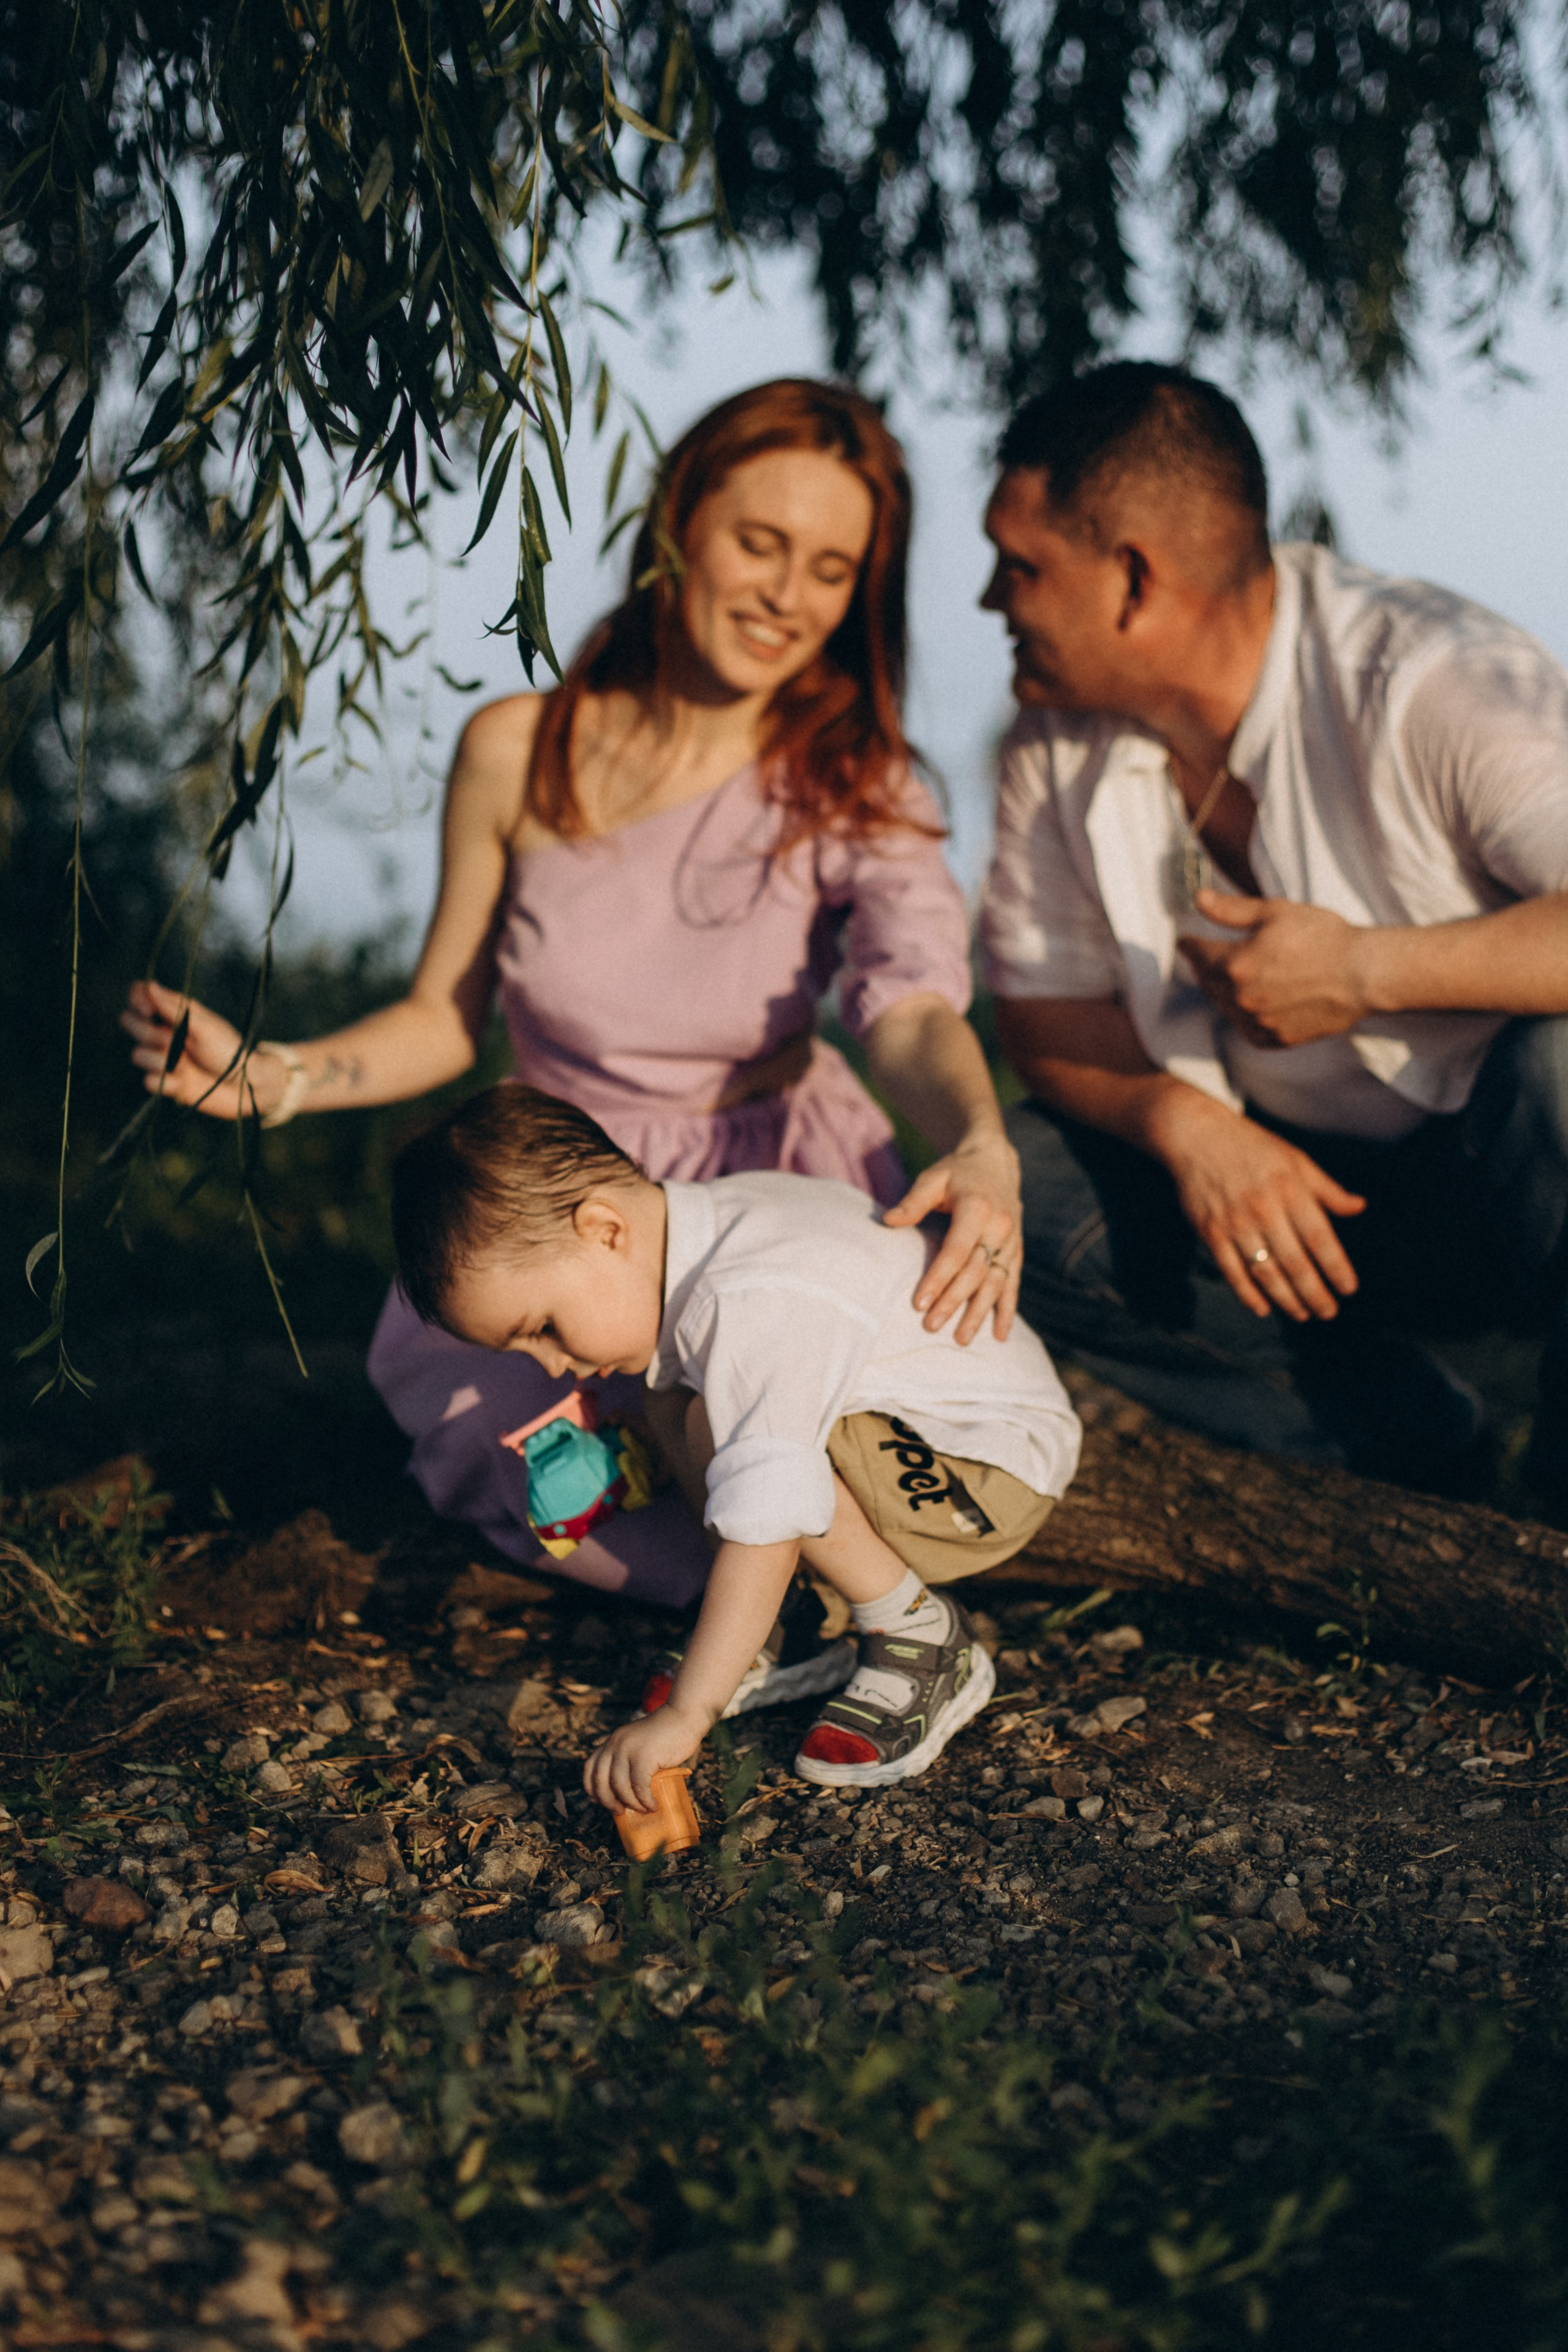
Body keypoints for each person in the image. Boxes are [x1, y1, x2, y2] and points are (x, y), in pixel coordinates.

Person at [122, 377, 1025, 1628]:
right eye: (758, 543)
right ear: (678, 528)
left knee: (794, 1447)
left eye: (828, 569)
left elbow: (910, 1005)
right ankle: (753, 1609)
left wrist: (978, 1141)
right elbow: (442, 1016)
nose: (783, 594)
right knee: (553, 1476)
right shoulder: (518, 748)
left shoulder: (853, 784)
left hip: (763, 1196)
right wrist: (274, 1077)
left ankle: (822, 1598)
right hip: (548, 1215)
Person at [976, 360, 1568, 1504]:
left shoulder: (1425, 674)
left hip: (1513, 1180)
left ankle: (1555, 1538)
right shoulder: (1050, 737)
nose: (991, 604)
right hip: (1286, 1210)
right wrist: (1188, 1124)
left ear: (1133, 580)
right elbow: (1045, 1011)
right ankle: (1415, 1459)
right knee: (1023, 1203)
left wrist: (1366, 970)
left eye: (1022, 567)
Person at [388, 1085, 1081, 1803]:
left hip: (984, 1470)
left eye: (545, 1327)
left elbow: (769, 1516)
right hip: (921, 1431)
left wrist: (691, 1713)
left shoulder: (751, 1297)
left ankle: (921, 1634)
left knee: (746, 1441)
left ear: (604, 1228)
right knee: (676, 1395)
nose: (553, 1366)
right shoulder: (716, 1226)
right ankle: (791, 1623)